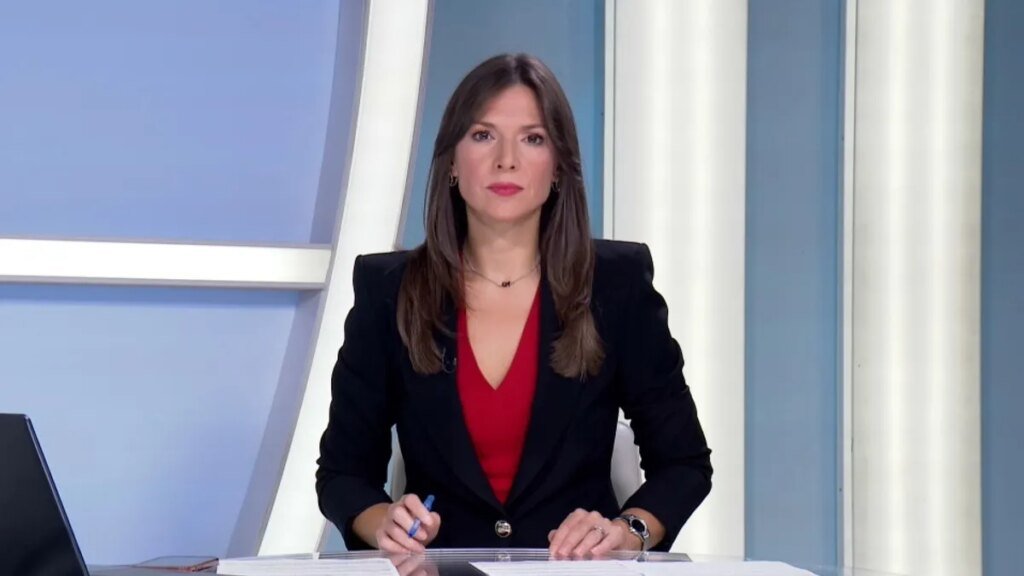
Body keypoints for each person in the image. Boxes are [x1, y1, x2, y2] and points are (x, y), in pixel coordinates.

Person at [316, 53, 711, 557]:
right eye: (483, 135)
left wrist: (628, 532)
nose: (506, 159)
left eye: (533, 138)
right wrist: (384, 524)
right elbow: (343, 473)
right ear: (452, 163)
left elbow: (684, 463)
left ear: (559, 167)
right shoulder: (389, 290)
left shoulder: (616, 285)